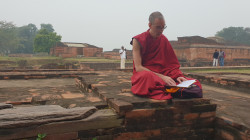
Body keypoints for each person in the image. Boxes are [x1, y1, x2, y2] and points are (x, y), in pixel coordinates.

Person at [130, 11, 202, 100]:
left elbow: (171, 65)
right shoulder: (138, 40)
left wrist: (178, 76)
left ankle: (170, 88)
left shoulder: (163, 39)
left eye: (163, 27)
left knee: (194, 82)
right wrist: (162, 77)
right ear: (149, 25)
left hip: (163, 73)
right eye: (158, 27)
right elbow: (138, 68)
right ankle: (171, 88)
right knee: (146, 77)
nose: (161, 30)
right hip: (148, 75)